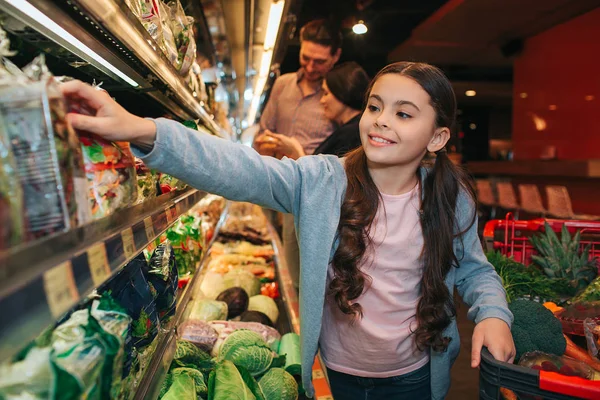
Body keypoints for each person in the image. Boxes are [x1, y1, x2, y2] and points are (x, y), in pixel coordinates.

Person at [61, 61, 515, 400]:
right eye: (375, 106)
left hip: (416, 374)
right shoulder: (323, 180)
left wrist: (493, 313)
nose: (380, 120)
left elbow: (475, 271)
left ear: (437, 137)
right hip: (337, 372)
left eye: (403, 114)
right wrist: (143, 131)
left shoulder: (451, 200)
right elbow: (241, 168)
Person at [254, 18, 342, 291]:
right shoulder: (283, 85)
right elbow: (263, 131)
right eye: (306, 58)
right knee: (285, 260)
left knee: (312, 273)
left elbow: (344, 150)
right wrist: (264, 143)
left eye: (320, 61)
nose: (311, 67)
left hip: (315, 195)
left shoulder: (337, 94)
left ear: (335, 56)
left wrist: (299, 153)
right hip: (277, 188)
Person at [257, 61, 369, 159]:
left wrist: (295, 150)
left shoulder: (350, 134)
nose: (322, 100)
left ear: (341, 93)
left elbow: (329, 180)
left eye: (326, 93)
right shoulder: (351, 130)